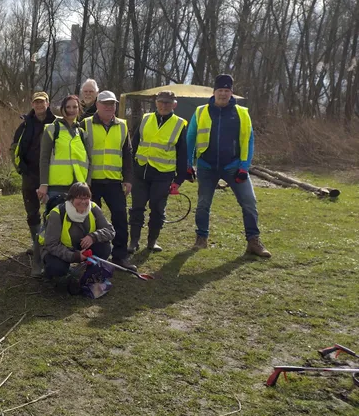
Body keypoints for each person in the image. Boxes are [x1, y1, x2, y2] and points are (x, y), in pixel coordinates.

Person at [186, 74, 271, 257]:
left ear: (231, 93)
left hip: (233, 166)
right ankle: (201, 238)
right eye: (220, 90)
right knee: (203, 204)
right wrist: (188, 163)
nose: (223, 94)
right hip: (206, 166)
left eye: (226, 91)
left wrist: (244, 167)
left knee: (249, 202)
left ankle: (253, 241)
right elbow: (190, 138)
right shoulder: (201, 111)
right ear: (214, 92)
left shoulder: (242, 113)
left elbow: (248, 141)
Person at [129, 90, 188, 253]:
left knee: (157, 209)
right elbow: (133, 144)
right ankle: (133, 241)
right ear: (156, 102)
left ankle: (152, 241)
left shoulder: (179, 124)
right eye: (161, 102)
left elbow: (183, 153)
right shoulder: (146, 119)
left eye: (168, 103)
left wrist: (179, 179)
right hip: (141, 171)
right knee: (137, 208)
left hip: (163, 174)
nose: (164, 105)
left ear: (174, 104)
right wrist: (129, 169)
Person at [82, 91, 135, 270]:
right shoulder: (86, 124)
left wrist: (128, 179)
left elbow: (127, 154)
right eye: (105, 103)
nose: (109, 107)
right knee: (91, 220)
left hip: (114, 182)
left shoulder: (122, 126)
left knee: (120, 217)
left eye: (112, 104)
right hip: (92, 182)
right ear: (97, 105)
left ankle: (120, 256)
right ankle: (93, 255)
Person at [40, 182, 115, 298]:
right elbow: (51, 245)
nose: (84, 202)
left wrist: (93, 236)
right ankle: (55, 278)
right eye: (79, 198)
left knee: (104, 248)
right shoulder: (57, 213)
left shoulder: (93, 208)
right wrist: (75, 256)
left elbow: (110, 231)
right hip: (61, 250)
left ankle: (90, 276)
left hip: (83, 247)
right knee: (56, 266)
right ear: (71, 199)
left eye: (87, 198)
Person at [10, 92, 57, 277]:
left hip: (51, 176)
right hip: (29, 175)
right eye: (36, 102)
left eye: (42, 102)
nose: (39, 105)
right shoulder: (25, 125)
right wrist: (20, 168)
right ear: (32, 104)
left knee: (52, 212)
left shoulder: (56, 124)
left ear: (48, 103)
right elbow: (14, 147)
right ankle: (36, 244)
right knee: (32, 213)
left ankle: (47, 245)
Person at [38, 94, 91, 204]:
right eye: (68, 107)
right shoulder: (52, 129)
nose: (71, 110)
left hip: (78, 187)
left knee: (77, 220)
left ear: (79, 109)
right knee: (55, 219)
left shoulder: (82, 133)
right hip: (57, 187)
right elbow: (44, 158)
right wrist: (43, 184)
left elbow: (89, 161)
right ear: (62, 109)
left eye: (75, 107)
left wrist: (87, 184)